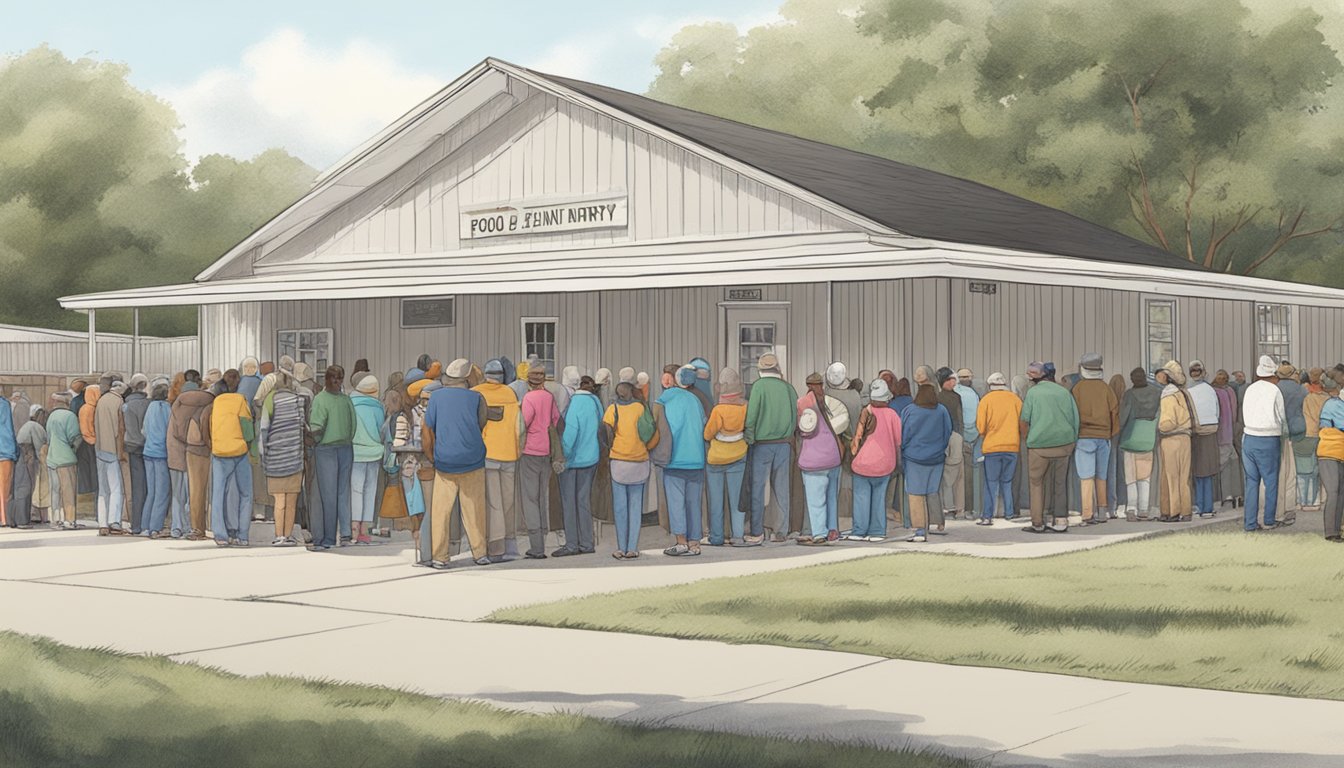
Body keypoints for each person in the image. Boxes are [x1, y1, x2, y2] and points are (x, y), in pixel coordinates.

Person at [422, 358, 491, 569]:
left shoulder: (436, 398)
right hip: (473, 459)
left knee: (441, 511)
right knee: (474, 510)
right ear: (467, 377)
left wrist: (431, 455)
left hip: (445, 461)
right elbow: (482, 423)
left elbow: (427, 430)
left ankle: (440, 556)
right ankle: (480, 553)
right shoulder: (476, 398)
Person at [655, 365, 709, 556]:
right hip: (696, 457)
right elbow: (704, 424)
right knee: (694, 502)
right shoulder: (695, 400)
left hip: (674, 458)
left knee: (676, 502)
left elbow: (656, 424)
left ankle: (681, 542)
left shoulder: (665, 399)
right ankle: (695, 543)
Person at [745, 353, 798, 543]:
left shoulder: (758, 387)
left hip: (761, 445)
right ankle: (781, 531)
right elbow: (795, 417)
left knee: (758, 488)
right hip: (783, 444)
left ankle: (757, 531)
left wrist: (749, 438)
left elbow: (751, 417)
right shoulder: (788, 388)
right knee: (782, 489)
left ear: (760, 369)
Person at [474, 358, 524, 562]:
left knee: (492, 503)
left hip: (486, 454)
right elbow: (520, 428)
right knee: (508, 502)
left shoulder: (476, 393)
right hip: (509, 454)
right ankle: (510, 546)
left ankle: (495, 548)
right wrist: (518, 449)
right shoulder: (510, 394)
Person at [1021, 362, 1079, 533]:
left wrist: (1028, 439)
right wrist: (1072, 441)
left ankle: (1038, 523)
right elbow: (1075, 419)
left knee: (1036, 483)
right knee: (1060, 483)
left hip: (1039, 444)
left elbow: (1024, 419)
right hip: (1064, 443)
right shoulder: (1064, 392)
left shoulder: (1033, 393)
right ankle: (1061, 521)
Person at [258, 361, 308, 547]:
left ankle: (279, 535)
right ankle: (288, 535)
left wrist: (264, 454)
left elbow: (264, 428)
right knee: (292, 499)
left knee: (279, 499)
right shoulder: (298, 400)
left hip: (276, 458)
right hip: (294, 457)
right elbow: (303, 427)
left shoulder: (270, 399)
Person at [796, 372, 848, 545]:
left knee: (816, 500)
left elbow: (803, 429)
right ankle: (833, 530)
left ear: (808, 385)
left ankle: (819, 533)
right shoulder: (830, 403)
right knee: (832, 497)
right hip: (833, 456)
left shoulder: (803, 403)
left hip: (814, 460)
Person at [309, 365, 356, 551]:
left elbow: (317, 427)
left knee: (327, 496)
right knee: (343, 493)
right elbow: (353, 425)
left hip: (326, 449)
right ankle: (345, 533)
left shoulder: (320, 400)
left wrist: (315, 441)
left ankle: (327, 538)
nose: (337, 381)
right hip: (346, 447)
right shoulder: (346, 400)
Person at [204, 370, 254, 547]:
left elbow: (209, 426)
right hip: (239, 452)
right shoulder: (241, 400)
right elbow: (247, 428)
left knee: (218, 494)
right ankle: (242, 535)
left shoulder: (214, 403)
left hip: (219, 452)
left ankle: (221, 535)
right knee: (245, 494)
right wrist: (249, 447)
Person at [603, 382, 652, 559]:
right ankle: (633, 548)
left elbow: (606, 433)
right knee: (635, 507)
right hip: (639, 460)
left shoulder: (612, 409)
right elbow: (648, 432)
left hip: (619, 461)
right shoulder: (640, 408)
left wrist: (612, 448)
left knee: (620, 508)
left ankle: (620, 547)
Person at [556, 375, 602, 557]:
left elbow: (571, 433)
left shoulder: (574, 403)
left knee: (569, 503)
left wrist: (562, 456)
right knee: (584, 501)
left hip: (573, 461)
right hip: (591, 457)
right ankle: (587, 542)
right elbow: (601, 424)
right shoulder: (595, 401)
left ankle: (572, 544)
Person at [897, 380, 948, 543]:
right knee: (933, 491)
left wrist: (904, 450)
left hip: (914, 458)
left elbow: (904, 435)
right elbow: (947, 432)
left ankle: (920, 530)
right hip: (936, 458)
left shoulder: (909, 411)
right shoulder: (942, 411)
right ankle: (938, 524)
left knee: (915, 494)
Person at [519, 360, 561, 559]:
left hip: (530, 451)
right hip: (547, 451)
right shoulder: (549, 397)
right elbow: (556, 420)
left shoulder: (528, 398)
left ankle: (536, 547)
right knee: (542, 497)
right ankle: (544, 539)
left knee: (530, 499)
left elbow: (524, 423)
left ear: (529, 381)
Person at [1071, 354, 1119, 526]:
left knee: (1086, 478)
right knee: (1101, 476)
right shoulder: (1106, 389)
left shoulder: (1077, 389)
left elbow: (1072, 414)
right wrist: (1111, 433)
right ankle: (1102, 511)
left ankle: (1087, 514)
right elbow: (1114, 411)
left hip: (1083, 437)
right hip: (1103, 437)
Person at [703, 367, 748, 546]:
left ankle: (717, 536)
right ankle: (738, 536)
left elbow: (707, 434)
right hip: (739, 455)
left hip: (716, 459)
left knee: (716, 501)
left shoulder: (718, 410)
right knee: (737, 500)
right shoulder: (745, 407)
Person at [393, 380, 436, 563]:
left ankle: (418, 544)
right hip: (428, 463)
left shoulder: (406, 415)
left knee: (414, 506)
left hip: (409, 465)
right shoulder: (435, 413)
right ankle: (426, 546)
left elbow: (398, 443)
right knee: (428, 506)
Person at [1243, 356, 1286, 531]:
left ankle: (1250, 523)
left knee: (1252, 482)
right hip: (1268, 438)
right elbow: (1281, 416)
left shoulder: (1250, 389)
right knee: (1271, 481)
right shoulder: (1275, 391)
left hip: (1249, 437)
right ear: (1273, 374)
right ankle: (1269, 520)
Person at [171, 375, 214, 540]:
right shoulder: (210, 400)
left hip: (190, 449)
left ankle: (196, 528)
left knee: (194, 491)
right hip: (209, 449)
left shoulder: (179, 402)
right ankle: (211, 526)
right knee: (212, 490)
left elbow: (175, 430)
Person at [976, 372, 1022, 524]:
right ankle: (1009, 513)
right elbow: (1023, 422)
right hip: (1012, 446)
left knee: (991, 483)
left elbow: (981, 427)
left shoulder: (986, 400)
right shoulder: (1015, 399)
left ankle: (987, 516)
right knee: (1007, 482)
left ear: (990, 386)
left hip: (992, 447)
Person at [1118, 367, 1160, 521]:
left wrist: (1119, 430)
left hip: (1131, 437)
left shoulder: (1129, 394)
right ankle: (1143, 508)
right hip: (1149, 437)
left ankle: (1131, 508)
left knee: (1131, 477)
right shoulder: (1156, 393)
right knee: (1145, 477)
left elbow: (1123, 417)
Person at [1154, 361, 1193, 523]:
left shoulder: (1168, 395)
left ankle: (1172, 511)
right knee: (1184, 477)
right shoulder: (1182, 393)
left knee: (1170, 476)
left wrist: (1159, 427)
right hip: (1186, 437)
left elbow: (1168, 422)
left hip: (1171, 439)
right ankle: (1185, 511)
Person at [350, 374, 385, 546]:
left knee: (356, 491)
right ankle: (365, 531)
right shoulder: (378, 407)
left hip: (355, 453)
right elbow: (381, 431)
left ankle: (353, 529)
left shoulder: (351, 404)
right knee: (370, 491)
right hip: (375, 453)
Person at [1186, 361, 1221, 519]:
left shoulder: (1188, 391)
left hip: (1196, 433)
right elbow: (1217, 411)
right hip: (1211, 431)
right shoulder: (1210, 390)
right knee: (1209, 472)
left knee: (1198, 472)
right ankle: (1208, 506)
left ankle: (1200, 505)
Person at [45, 393, 81, 530]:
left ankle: (55, 519)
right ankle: (69, 520)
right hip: (66, 459)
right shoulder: (70, 416)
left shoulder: (51, 417)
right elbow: (75, 437)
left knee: (55, 490)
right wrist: (74, 449)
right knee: (68, 491)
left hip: (52, 457)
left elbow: (48, 437)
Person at [141, 379, 172, 538]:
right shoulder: (167, 409)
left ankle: (145, 525)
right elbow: (170, 430)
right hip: (161, 453)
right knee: (162, 492)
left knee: (151, 491)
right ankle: (156, 527)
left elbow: (144, 430)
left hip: (148, 451)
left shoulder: (150, 407)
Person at [1276, 362, 1306, 525]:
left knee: (1279, 474)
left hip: (1277, 434)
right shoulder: (1300, 390)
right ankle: (1289, 509)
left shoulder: (1275, 388)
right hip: (1297, 433)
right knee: (1291, 475)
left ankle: (1278, 510)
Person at [121, 374, 151, 534]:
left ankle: (137, 524)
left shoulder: (126, 406)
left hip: (132, 447)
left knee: (137, 487)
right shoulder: (149, 404)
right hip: (149, 447)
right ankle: (149, 523)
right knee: (150, 487)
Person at [935, 367, 965, 521]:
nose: (954, 381)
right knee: (955, 474)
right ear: (944, 382)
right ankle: (956, 508)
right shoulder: (955, 397)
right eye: (950, 379)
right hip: (954, 436)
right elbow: (959, 419)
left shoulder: (938, 397)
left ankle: (948, 507)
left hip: (944, 437)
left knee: (946, 474)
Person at [1316, 379, 1344, 542]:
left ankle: (1335, 531)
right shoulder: (1333, 406)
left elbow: (1323, 425)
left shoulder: (1330, 405)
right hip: (1331, 454)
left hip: (1332, 454)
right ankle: (1331, 532)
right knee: (1334, 493)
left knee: (1339, 493)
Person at [1212, 370, 1243, 512]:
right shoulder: (1229, 391)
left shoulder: (1213, 391)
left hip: (1220, 435)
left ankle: (1227, 497)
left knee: (1223, 467)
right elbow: (1234, 412)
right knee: (1235, 464)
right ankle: (1238, 495)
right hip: (1231, 433)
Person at [1300, 369, 1328, 513]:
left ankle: (1309, 501)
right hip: (1325, 435)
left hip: (1310, 435)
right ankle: (1323, 498)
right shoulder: (1327, 397)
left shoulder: (1307, 397)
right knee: (1324, 468)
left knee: (1309, 470)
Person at [955, 367, 981, 519]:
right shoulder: (974, 395)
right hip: (974, 436)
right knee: (972, 474)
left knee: (958, 476)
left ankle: (959, 508)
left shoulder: (955, 393)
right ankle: (972, 508)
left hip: (958, 435)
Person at [0, 393, 16, 528]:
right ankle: (3, 518)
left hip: (4, 450)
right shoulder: (4, 405)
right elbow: (8, 430)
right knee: (4, 487)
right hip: (4, 451)